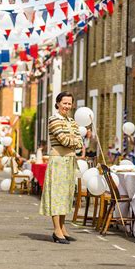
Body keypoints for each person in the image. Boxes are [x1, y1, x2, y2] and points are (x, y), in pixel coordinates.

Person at [39, 92, 83, 244]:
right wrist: (74, 141)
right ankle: (57, 230)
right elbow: (63, 140)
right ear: (57, 103)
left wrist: (75, 141)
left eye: (69, 103)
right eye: (64, 103)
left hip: (69, 160)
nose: (67, 106)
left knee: (66, 195)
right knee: (57, 195)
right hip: (58, 160)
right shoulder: (53, 119)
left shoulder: (72, 121)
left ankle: (63, 228)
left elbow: (81, 142)